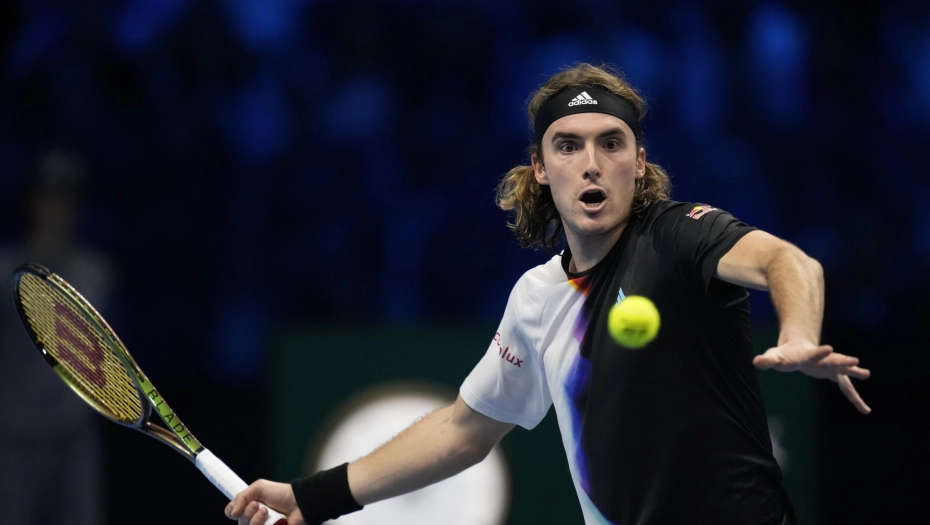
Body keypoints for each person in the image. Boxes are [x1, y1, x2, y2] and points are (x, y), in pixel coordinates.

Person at [225, 63, 870, 525]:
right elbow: (461, 431)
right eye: (568, 145)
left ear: (639, 162)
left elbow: (788, 261)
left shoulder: (680, 237)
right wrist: (311, 498)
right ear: (540, 167)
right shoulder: (536, 298)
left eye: (611, 143)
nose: (591, 162)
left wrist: (799, 335)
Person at [0, 148, 119, 525]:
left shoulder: (97, 274)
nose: (57, 209)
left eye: (67, 198)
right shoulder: (4, 271)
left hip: (75, 436)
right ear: (32, 201)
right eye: (49, 196)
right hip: (14, 436)